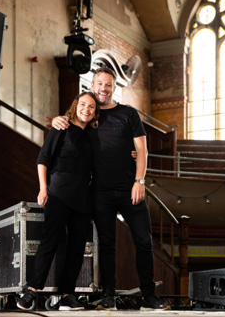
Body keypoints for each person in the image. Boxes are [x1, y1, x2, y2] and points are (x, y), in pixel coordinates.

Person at [52, 67, 170, 310]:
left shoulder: (128, 114)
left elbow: (142, 150)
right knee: (106, 244)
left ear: (114, 88)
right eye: (99, 84)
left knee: (144, 241)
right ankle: (108, 295)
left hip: (130, 188)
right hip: (100, 192)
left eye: (108, 85)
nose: (103, 89)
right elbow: (70, 128)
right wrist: (57, 119)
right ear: (92, 86)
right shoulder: (89, 115)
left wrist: (140, 181)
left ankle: (150, 296)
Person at [17, 92, 100, 311]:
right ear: (76, 105)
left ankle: (66, 296)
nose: (87, 109)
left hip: (83, 198)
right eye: (83, 104)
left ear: (95, 112)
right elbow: (43, 159)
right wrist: (43, 188)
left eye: (91, 107)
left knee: (76, 249)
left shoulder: (93, 135)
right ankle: (31, 291)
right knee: (50, 241)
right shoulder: (61, 127)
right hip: (59, 193)